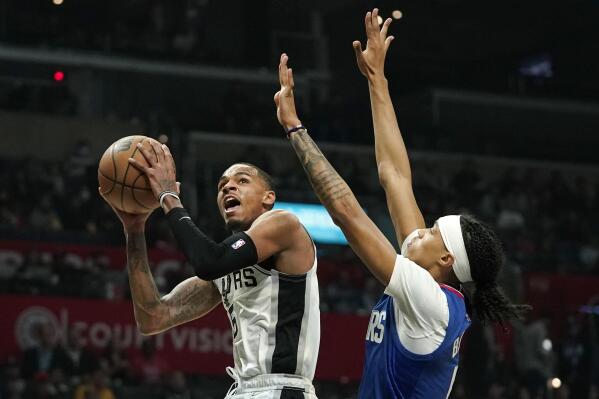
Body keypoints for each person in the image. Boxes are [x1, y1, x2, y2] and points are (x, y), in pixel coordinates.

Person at [273, 8, 529, 398]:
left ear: (446, 261)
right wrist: (377, 79)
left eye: (430, 232)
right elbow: (394, 175)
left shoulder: (430, 301)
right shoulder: (432, 284)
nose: (418, 231)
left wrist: (295, 129)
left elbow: (346, 213)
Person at [100, 149, 319, 398]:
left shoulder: (284, 223)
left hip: (282, 389)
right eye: (222, 185)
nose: (228, 187)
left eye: (242, 180)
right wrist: (135, 230)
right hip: (243, 390)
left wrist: (168, 196)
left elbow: (208, 262)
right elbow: (153, 318)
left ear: (268, 198)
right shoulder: (225, 269)